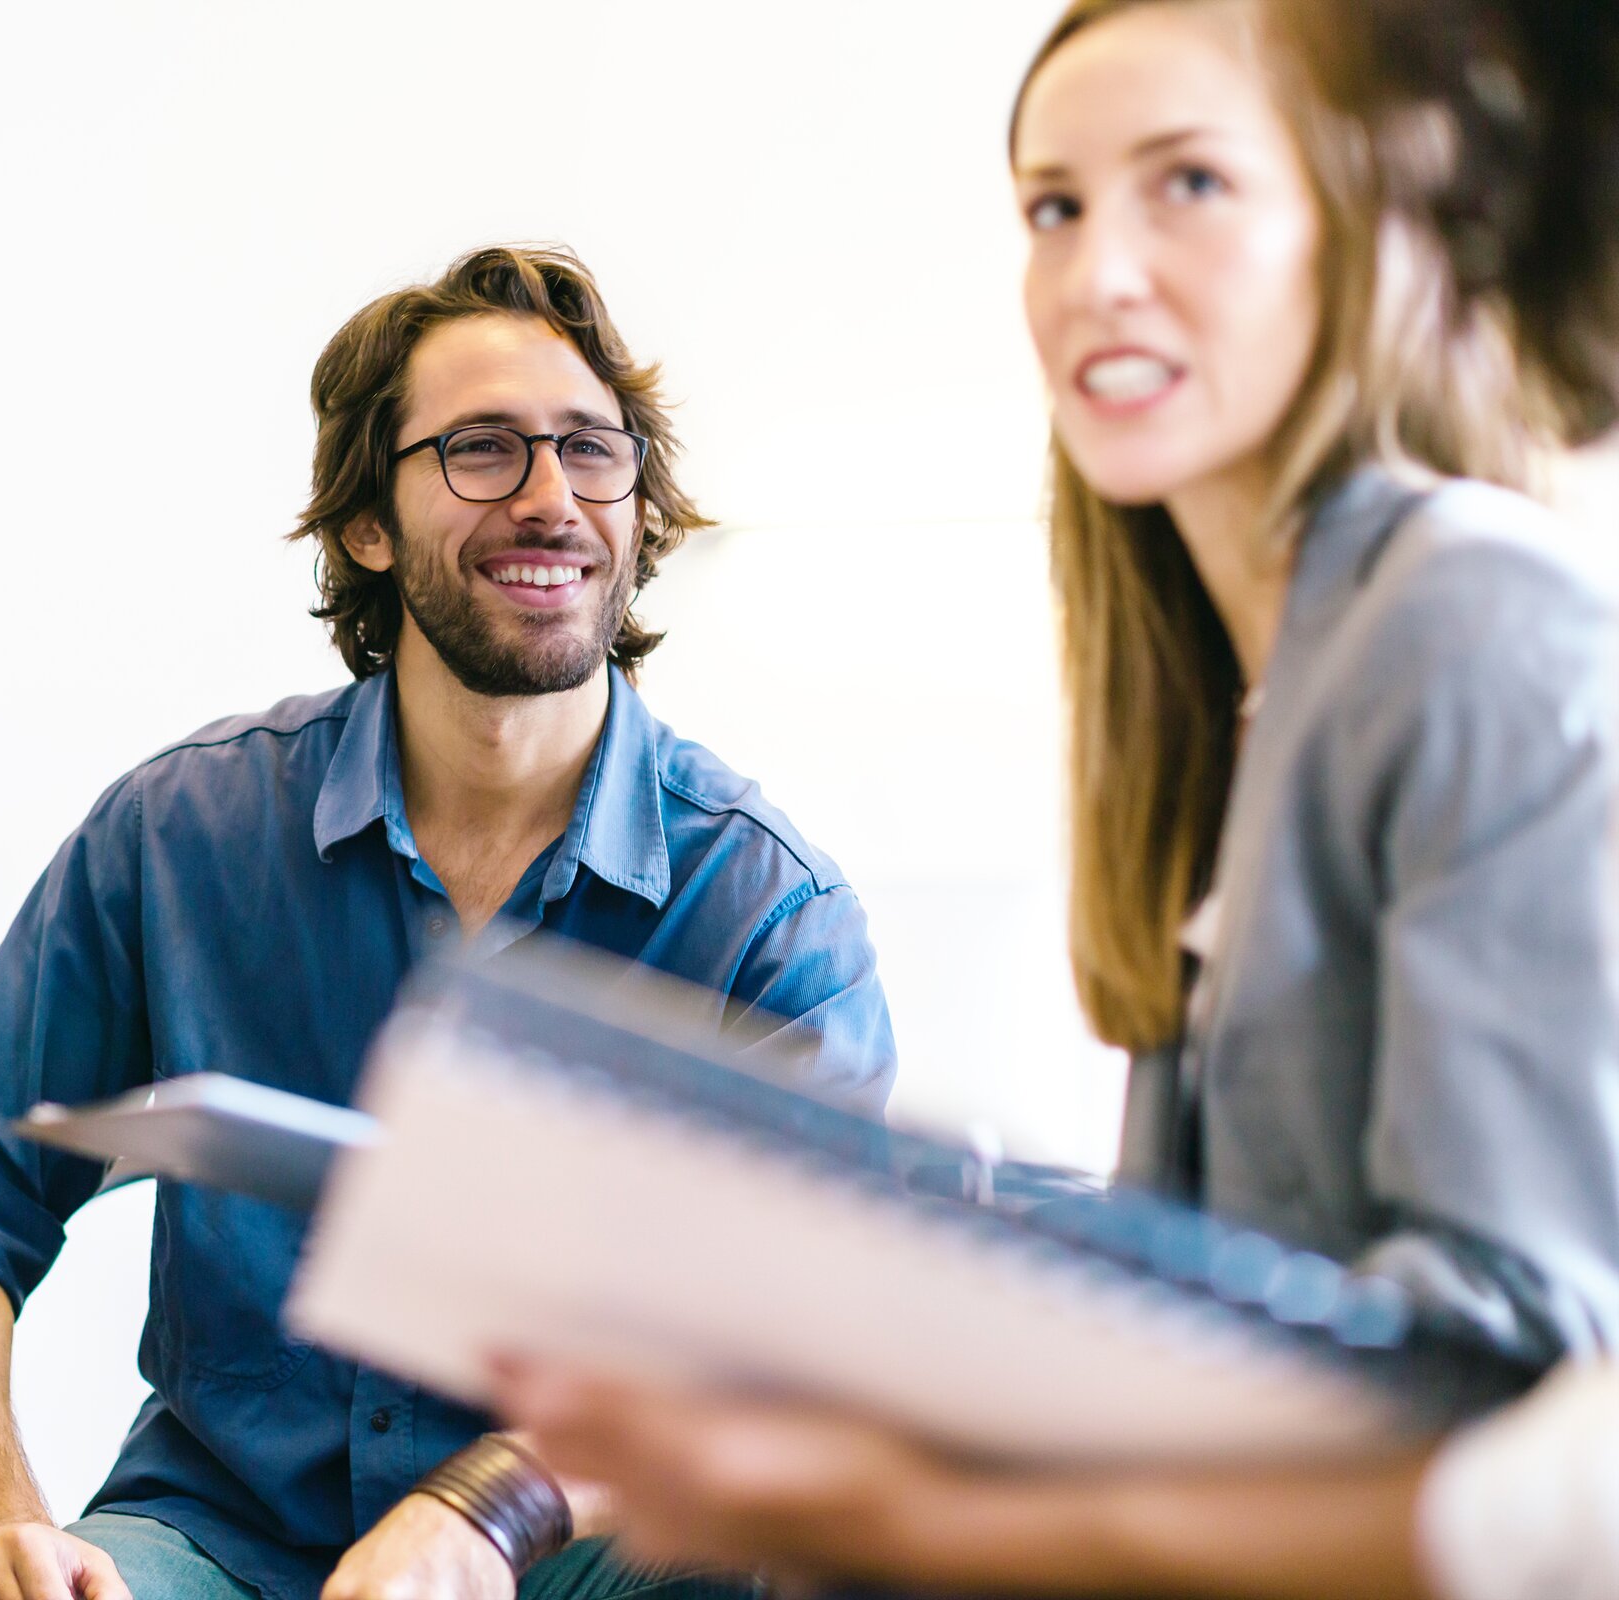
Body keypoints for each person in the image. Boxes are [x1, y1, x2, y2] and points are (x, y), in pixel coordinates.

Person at [493, 1, 1619, 1595]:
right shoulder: (1233, 703)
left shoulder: (1468, 616)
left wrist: (911, 1486)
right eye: (1054, 207)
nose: (1099, 272)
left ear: (1356, 227)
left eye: (1193, 186)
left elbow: (1512, 1378)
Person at [0, 245, 899, 1600]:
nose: (549, 498)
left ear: (639, 512)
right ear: (365, 522)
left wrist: (485, 1509)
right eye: (481, 450)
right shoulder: (180, 836)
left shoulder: (768, 915)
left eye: (592, 450)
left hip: (594, 1548)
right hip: (221, 1541)